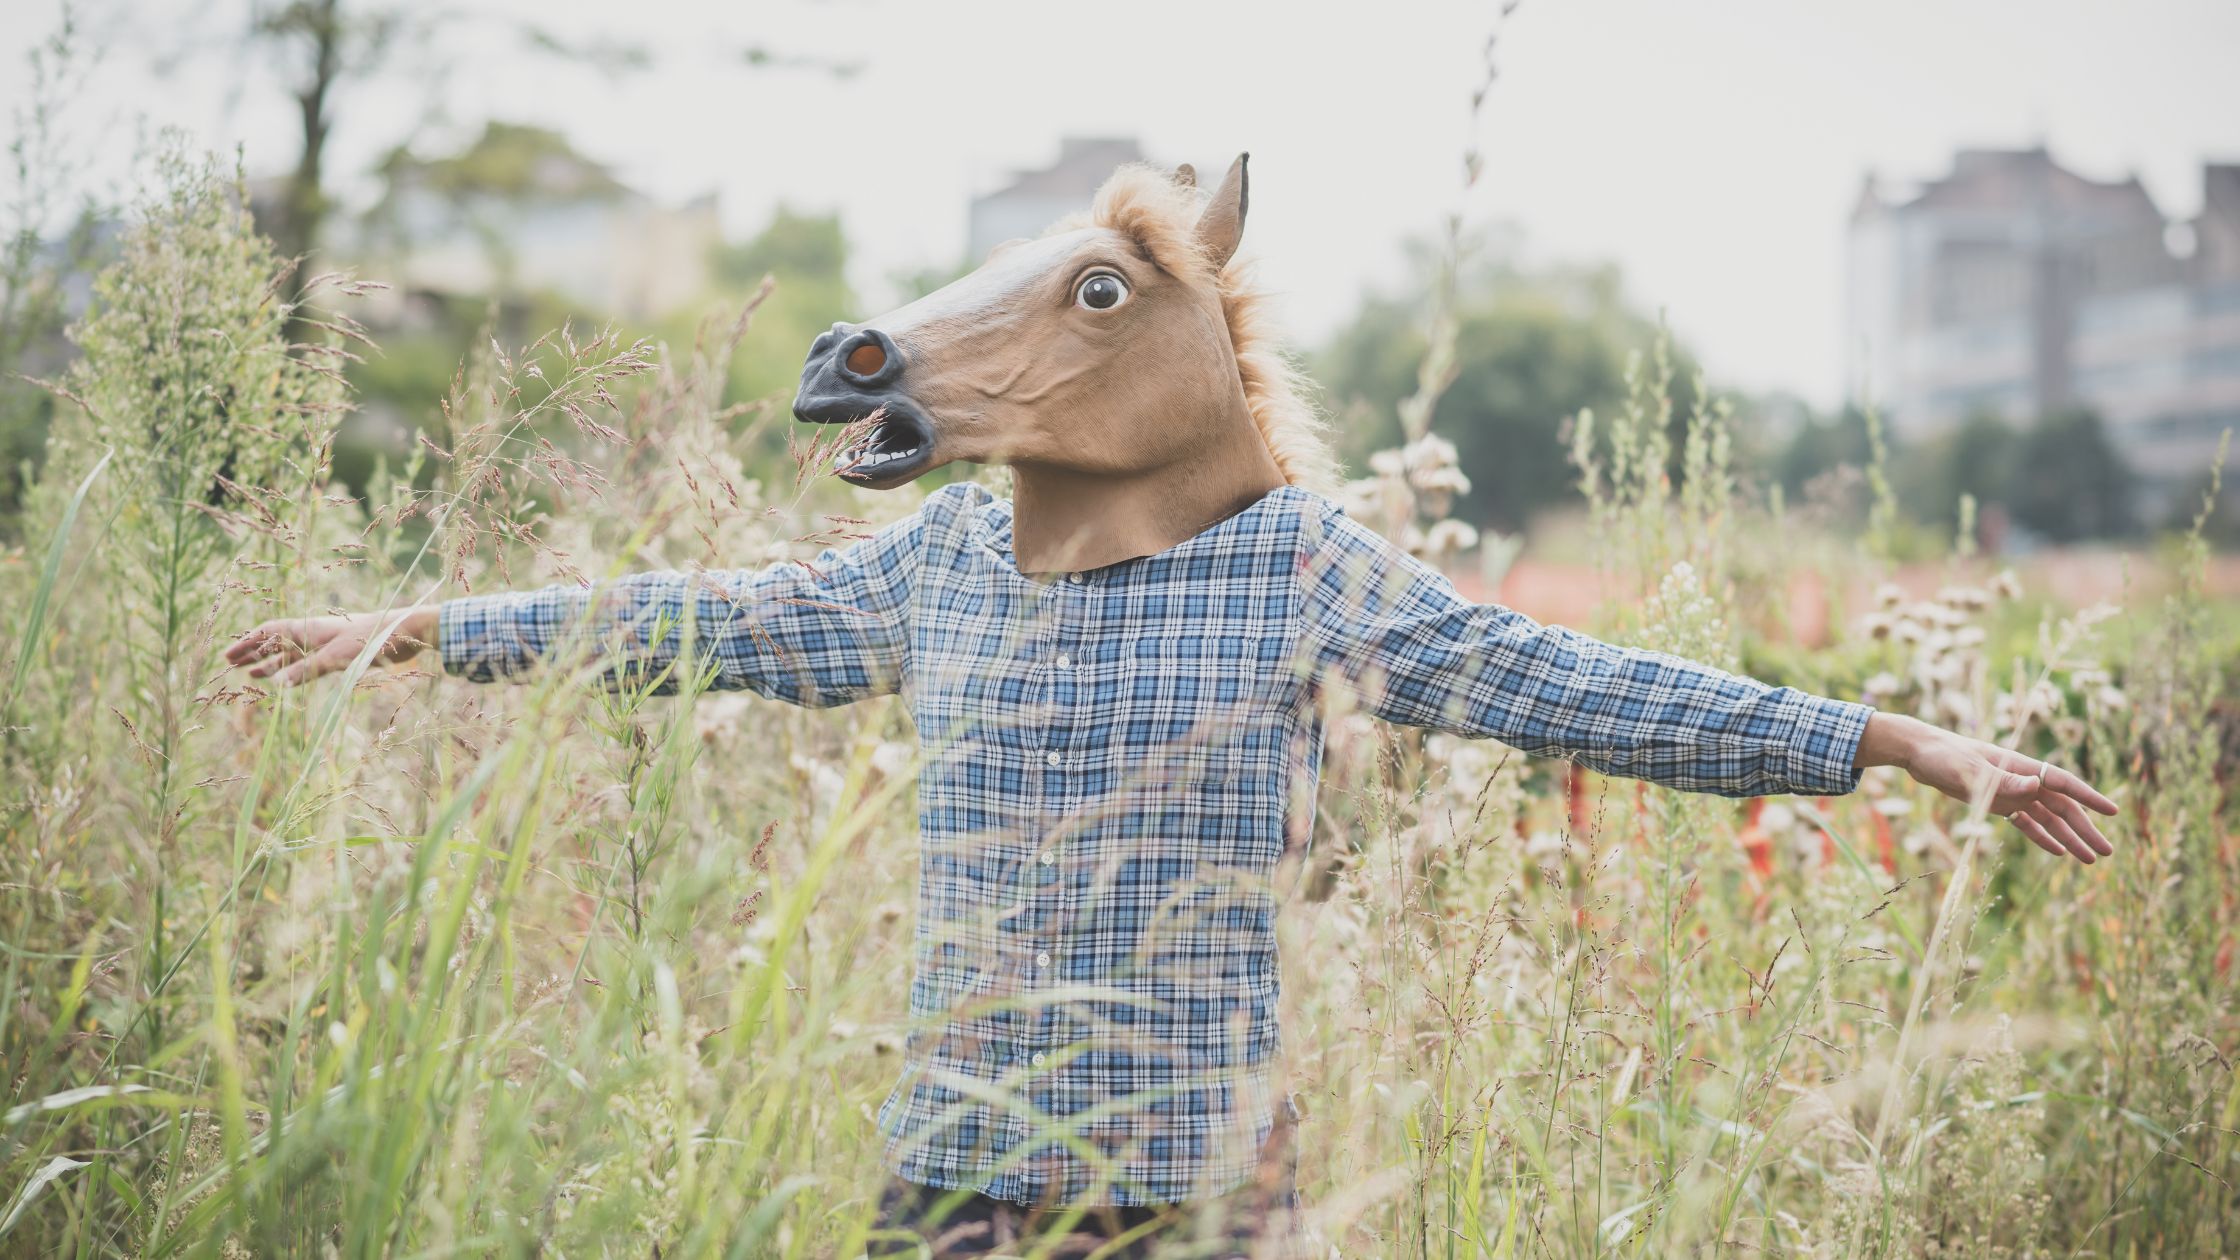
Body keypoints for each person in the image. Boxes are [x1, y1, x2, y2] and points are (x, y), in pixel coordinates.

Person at [226, 156, 2117, 1258]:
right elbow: (693, 624)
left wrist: (1895, 740)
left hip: (1194, 1191)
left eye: (1101, 299)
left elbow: (1582, 690)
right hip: (955, 1176)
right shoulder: (937, 566)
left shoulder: (1308, 576)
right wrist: (418, 627)